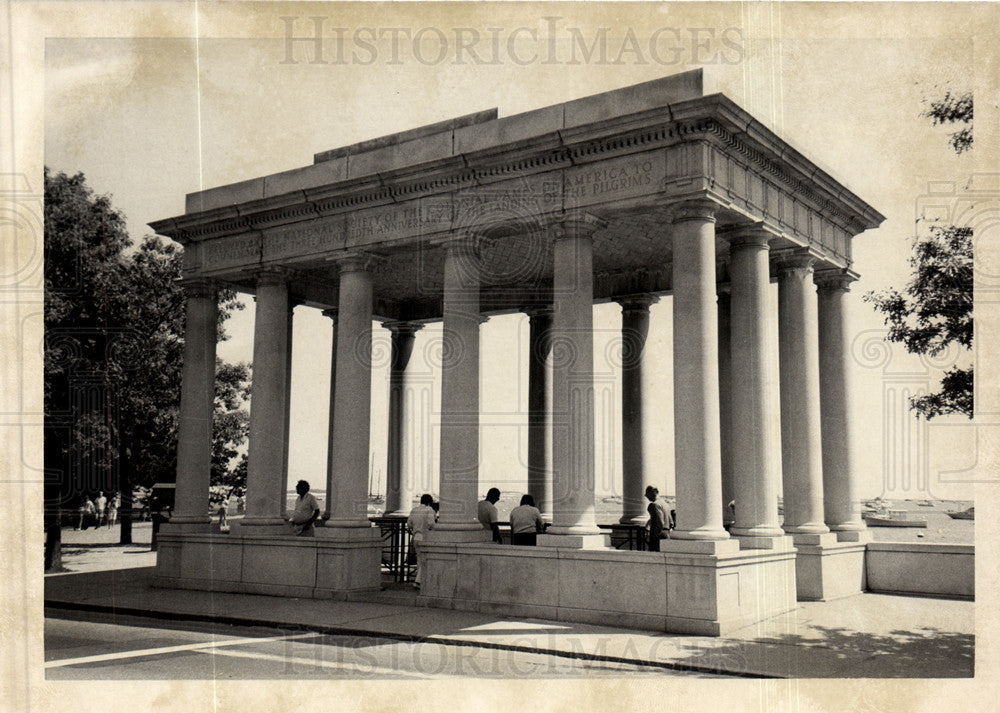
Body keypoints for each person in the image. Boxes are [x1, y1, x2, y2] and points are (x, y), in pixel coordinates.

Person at [406, 493, 437, 589]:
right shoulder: (429, 510)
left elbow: (409, 524)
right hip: (425, 537)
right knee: (425, 560)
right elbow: (431, 524)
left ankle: (420, 580)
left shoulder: (414, 510)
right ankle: (418, 581)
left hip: (416, 537)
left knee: (419, 560)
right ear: (429, 502)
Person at [645, 485, 669, 552]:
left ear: (653, 493)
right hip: (667, 534)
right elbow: (671, 521)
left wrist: (653, 538)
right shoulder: (665, 504)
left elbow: (659, 522)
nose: (646, 496)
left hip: (658, 536)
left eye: (647, 494)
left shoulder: (654, 505)